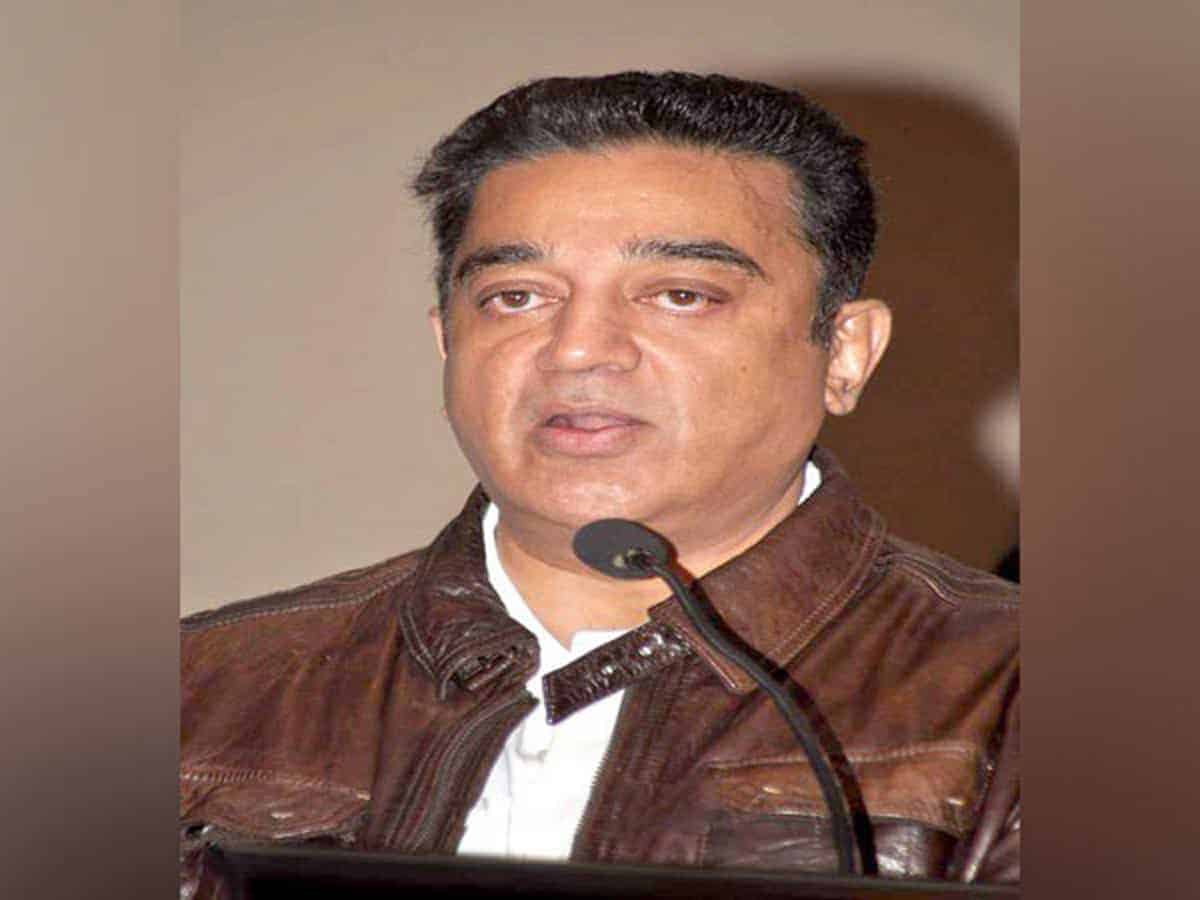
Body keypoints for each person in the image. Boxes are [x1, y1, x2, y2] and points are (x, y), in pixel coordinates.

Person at [180, 71, 1018, 896]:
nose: (578, 349)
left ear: (844, 354)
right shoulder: (198, 691)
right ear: (448, 344)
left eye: (680, 295)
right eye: (516, 297)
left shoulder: (1015, 699)